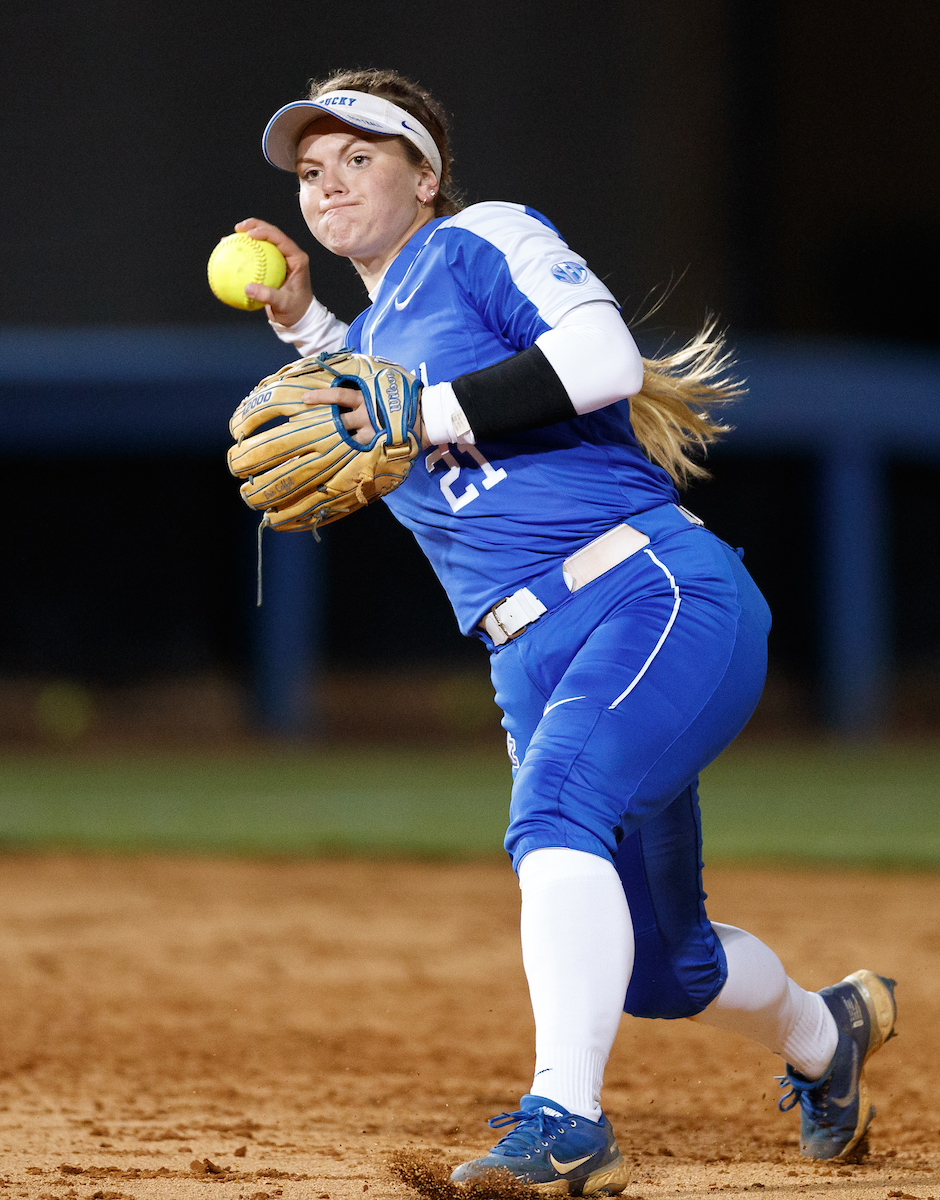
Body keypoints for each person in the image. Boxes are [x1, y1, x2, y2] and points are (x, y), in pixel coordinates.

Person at [236, 69, 898, 1188]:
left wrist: (425, 410)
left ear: (427, 176)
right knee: (661, 969)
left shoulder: (481, 239)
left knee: (555, 816)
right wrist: (304, 323)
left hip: (650, 596)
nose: (330, 180)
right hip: (526, 655)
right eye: (311, 168)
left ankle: (567, 1123)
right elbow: (378, 389)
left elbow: (604, 363)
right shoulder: (374, 344)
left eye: (361, 155)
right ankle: (829, 1037)